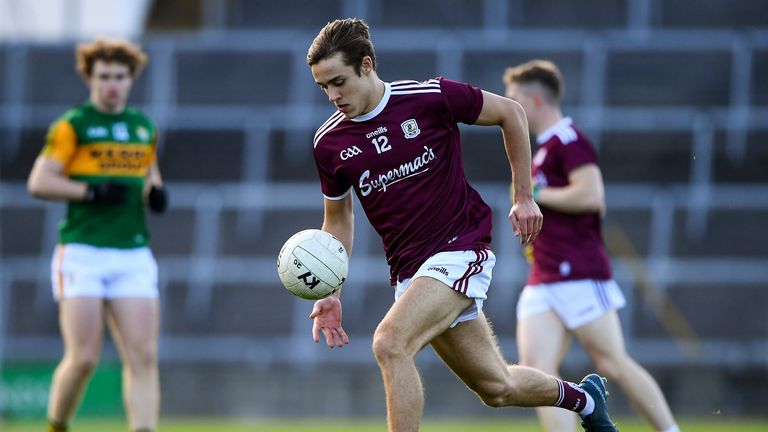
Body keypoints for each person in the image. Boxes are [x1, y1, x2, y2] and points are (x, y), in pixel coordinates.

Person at [305, 18, 617, 432]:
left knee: (389, 343)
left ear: (366, 65)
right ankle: (584, 399)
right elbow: (338, 221)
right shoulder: (329, 144)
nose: (332, 96)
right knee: (497, 387)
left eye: (338, 81)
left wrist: (524, 196)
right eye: (323, 87)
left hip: (460, 247)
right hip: (410, 271)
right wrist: (331, 289)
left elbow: (512, 112)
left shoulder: (429, 97)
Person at [504, 59, 680, 432]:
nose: (511, 107)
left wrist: (539, 194)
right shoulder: (541, 150)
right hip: (545, 276)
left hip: (578, 272)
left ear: (535, 99)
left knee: (612, 362)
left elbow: (592, 195)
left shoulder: (569, 139)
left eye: (515, 98)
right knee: (537, 374)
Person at [27, 38, 167, 432]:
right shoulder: (74, 125)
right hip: (83, 251)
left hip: (132, 254)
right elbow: (39, 181)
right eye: (104, 76)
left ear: (130, 80)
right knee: (84, 357)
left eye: (120, 77)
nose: (112, 84)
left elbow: (148, 176)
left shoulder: (143, 127)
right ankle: (57, 425)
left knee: (143, 355)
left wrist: (155, 193)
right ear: (90, 78)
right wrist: (89, 191)